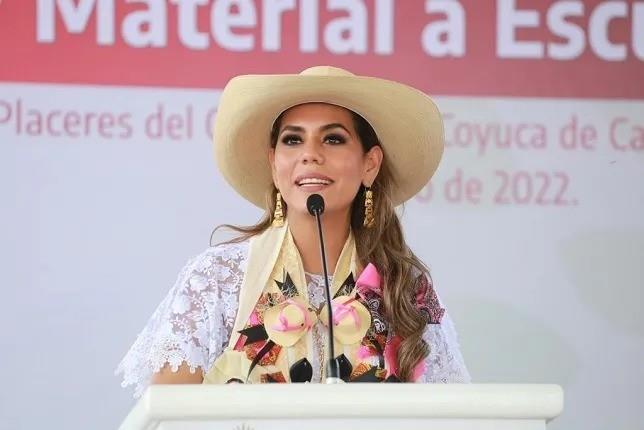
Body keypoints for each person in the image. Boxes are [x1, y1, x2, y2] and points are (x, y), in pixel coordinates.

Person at [116, 66, 470, 397]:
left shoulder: (405, 288)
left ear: (369, 164)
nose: (310, 155)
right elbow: (168, 416)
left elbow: (449, 414)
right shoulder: (219, 279)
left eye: (332, 139)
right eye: (292, 140)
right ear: (274, 162)